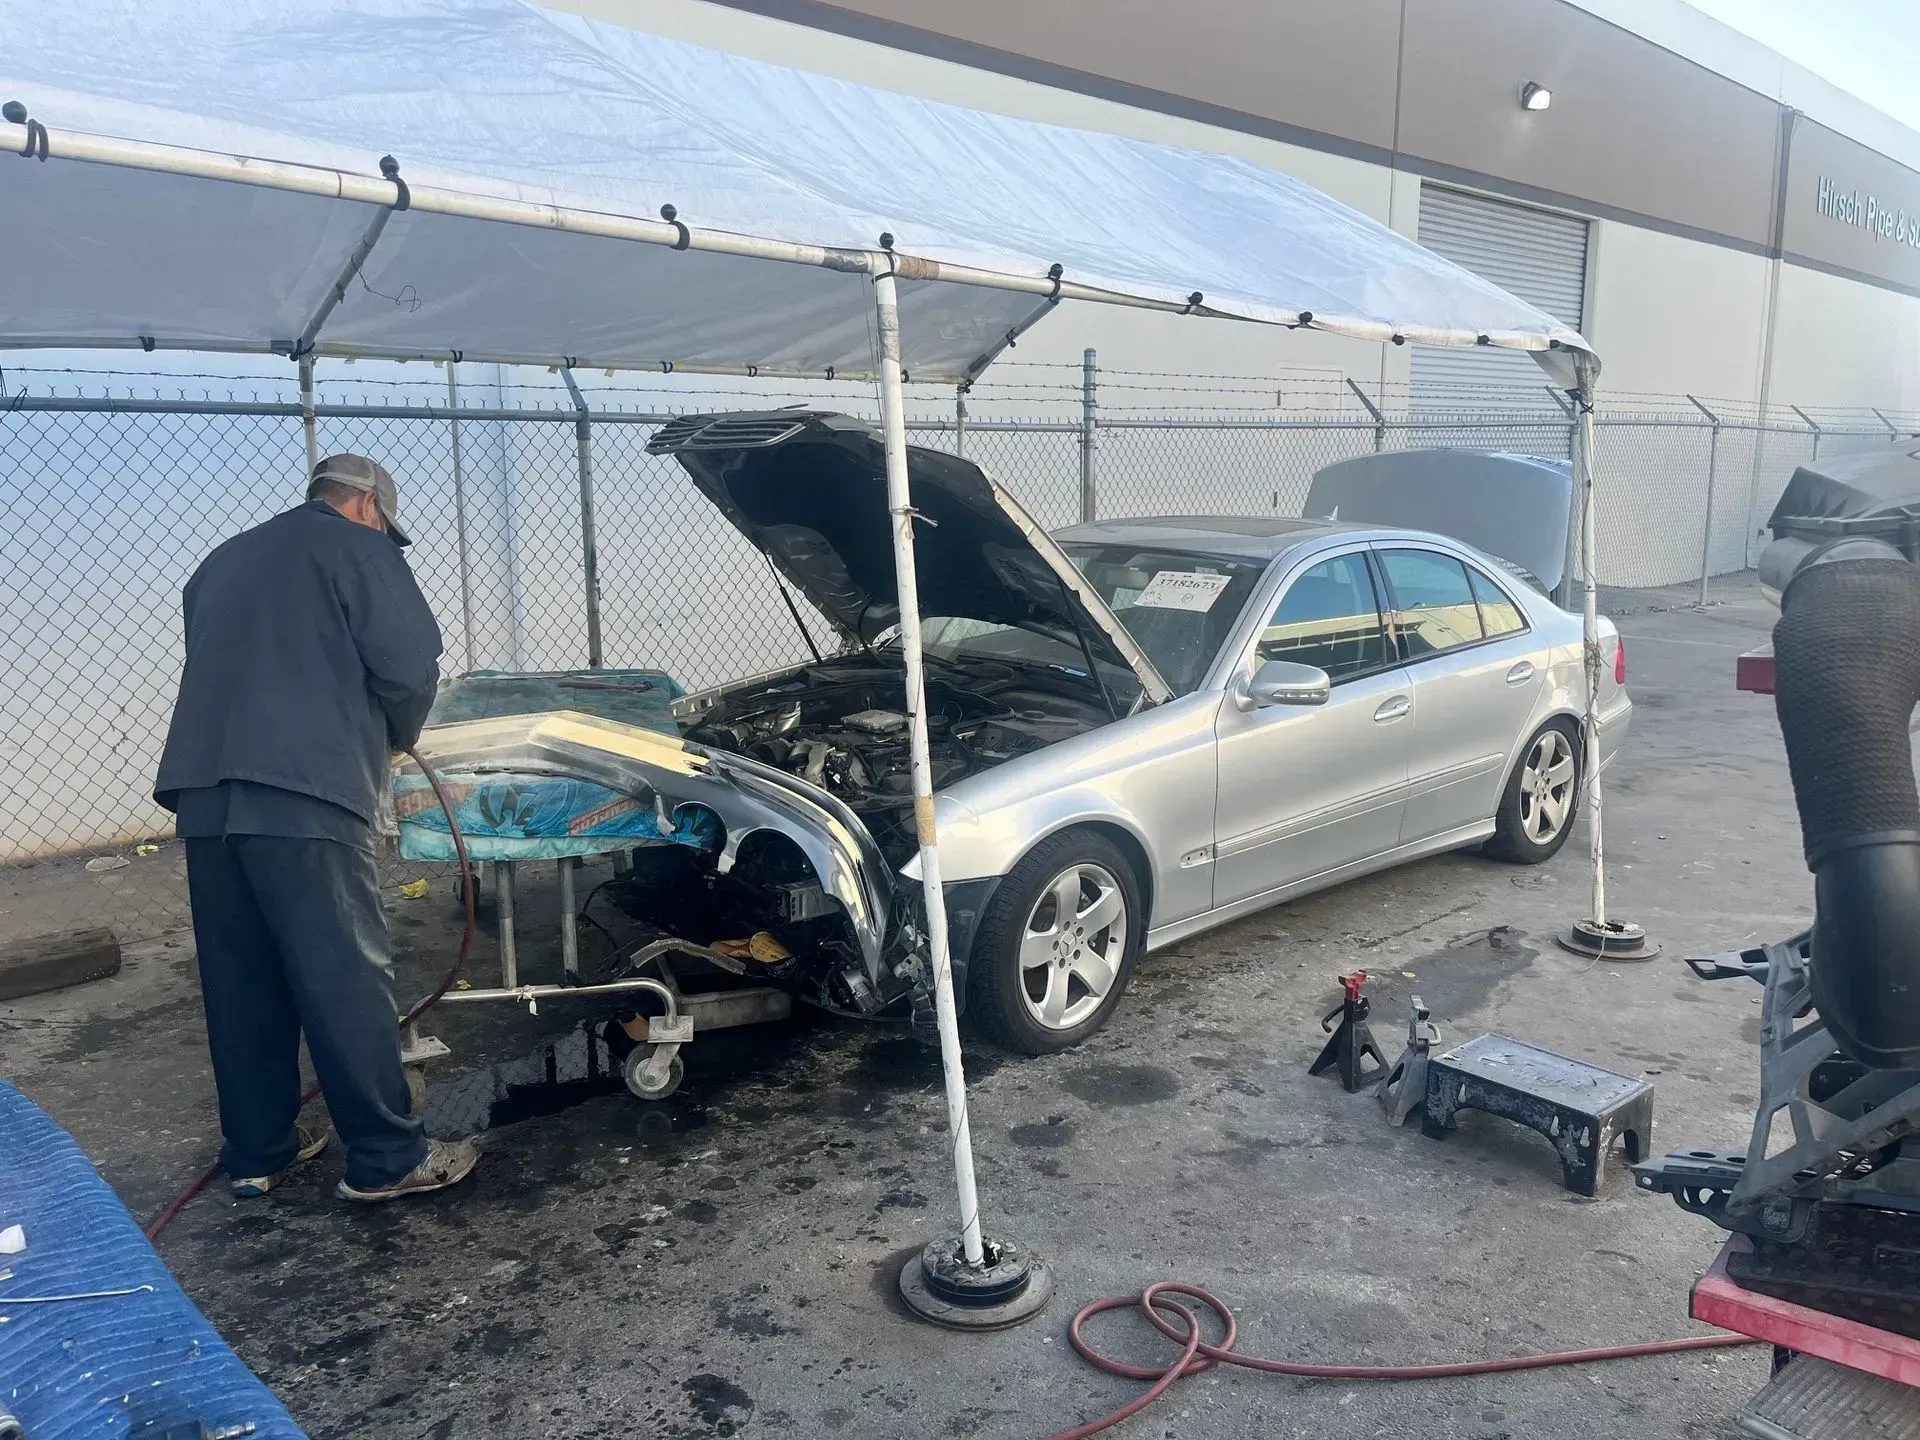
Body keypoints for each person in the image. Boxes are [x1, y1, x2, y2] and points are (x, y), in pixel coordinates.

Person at [155, 453, 478, 1203]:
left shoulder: (221, 561)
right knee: (343, 976)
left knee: (243, 980)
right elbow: (406, 667)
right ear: (367, 506)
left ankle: (258, 1152)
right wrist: (398, 736)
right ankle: (387, 1159)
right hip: (303, 791)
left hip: (206, 797)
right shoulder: (356, 546)